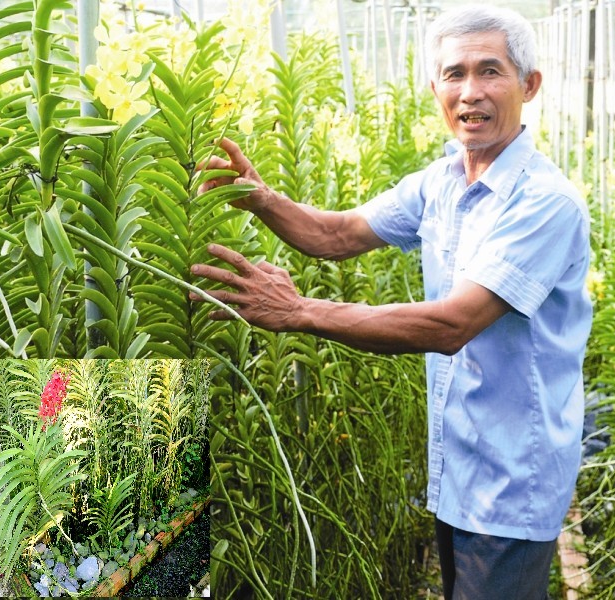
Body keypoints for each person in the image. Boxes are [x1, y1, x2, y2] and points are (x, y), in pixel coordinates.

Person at [190, 4, 593, 599]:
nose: (470, 92)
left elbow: (453, 324)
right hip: (458, 466)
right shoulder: (441, 183)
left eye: (490, 71)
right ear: (435, 88)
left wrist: (299, 311)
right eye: (454, 74)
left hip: (512, 478)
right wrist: (262, 199)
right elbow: (336, 234)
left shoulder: (544, 203)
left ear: (529, 85)